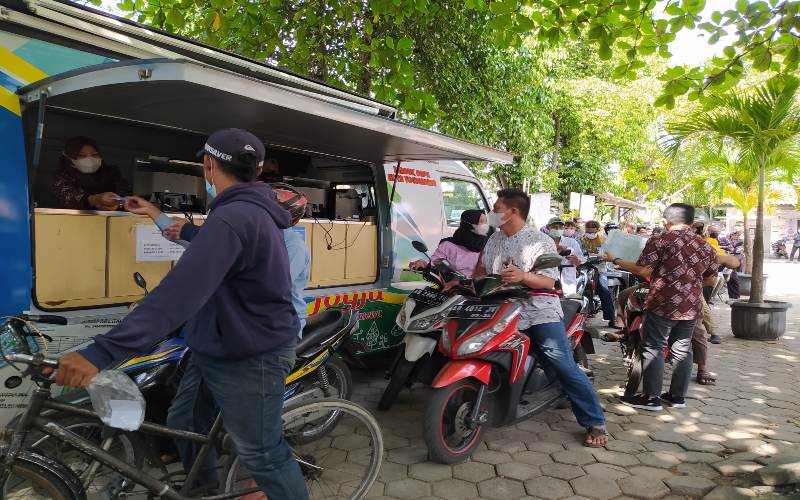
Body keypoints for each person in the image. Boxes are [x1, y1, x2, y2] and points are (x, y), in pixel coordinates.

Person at [56, 128, 309, 499]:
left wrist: (100, 353)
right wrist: (159, 215)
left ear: (208, 165)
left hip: (252, 354)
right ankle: (202, 490)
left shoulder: (235, 217)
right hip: (218, 343)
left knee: (263, 454)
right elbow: (212, 245)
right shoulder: (243, 213)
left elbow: (178, 295)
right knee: (185, 420)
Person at [475, 189, 609, 447]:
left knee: (560, 362)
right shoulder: (493, 239)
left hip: (537, 308)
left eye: (496, 208)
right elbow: (480, 271)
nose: (491, 213)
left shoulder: (540, 240)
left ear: (513, 211)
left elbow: (548, 280)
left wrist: (523, 277)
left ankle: (594, 420)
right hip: (499, 306)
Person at [617, 203, 719, 411]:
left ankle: (651, 398)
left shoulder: (660, 240)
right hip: (691, 304)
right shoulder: (705, 245)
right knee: (683, 349)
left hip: (662, 302)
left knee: (653, 346)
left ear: (666, 221)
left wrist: (616, 260)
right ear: (692, 222)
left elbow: (643, 269)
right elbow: (711, 280)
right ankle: (677, 397)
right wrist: (689, 284)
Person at [52, 136, 131, 210]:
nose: (89, 159)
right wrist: (96, 199)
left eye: (95, 154)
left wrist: (119, 204)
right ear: (69, 158)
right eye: (81, 155)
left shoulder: (112, 172)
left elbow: (127, 197)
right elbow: (68, 200)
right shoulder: (63, 176)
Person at [409, 209, 488, 278]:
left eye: (485, 221)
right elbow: (435, 263)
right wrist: (423, 264)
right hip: (453, 288)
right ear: (469, 224)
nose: (485, 225)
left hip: (479, 290)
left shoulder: (488, 245)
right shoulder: (448, 245)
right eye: (481, 221)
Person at [546, 217, 583, 295]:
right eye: (555, 227)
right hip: (547, 277)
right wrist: (555, 247)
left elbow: (580, 262)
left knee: (567, 302)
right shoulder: (543, 241)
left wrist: (575, 260)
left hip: (567, 278)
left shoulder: (572, 242)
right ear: (548, 227)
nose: (558, 229)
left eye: (560, 227)